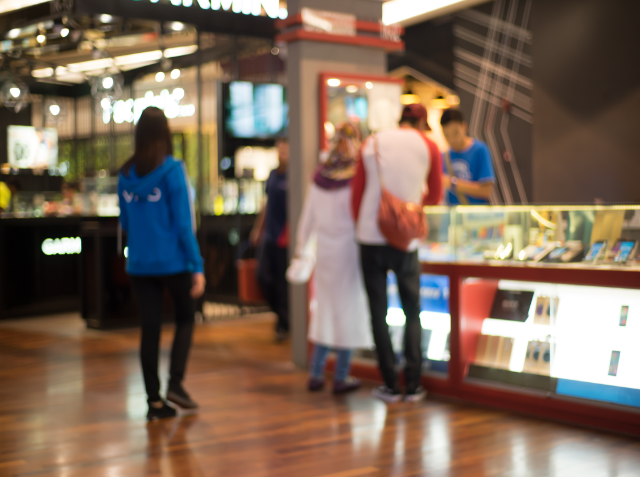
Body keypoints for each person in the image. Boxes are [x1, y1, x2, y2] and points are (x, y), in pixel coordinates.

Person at [118, 107, 205, 421]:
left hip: (140, 264)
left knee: (149, 330)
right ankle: (176, 385)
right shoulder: (172, 170)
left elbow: (125, 222)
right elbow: (184, 225)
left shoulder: (125, 175)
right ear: (165, 133)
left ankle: (154, 402)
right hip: (173, 263)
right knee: (185, 319)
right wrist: (197, 266)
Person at [351, 103, 443, 403]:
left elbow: (357, 192)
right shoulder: (429, 145)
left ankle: (390, 383)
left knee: (378, 312)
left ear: (400, 120)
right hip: (406, 240)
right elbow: (437, 194)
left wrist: (361, 227)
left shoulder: (372, 142)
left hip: (369, 234)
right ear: (421, 123)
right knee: (412, 310)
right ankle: (413, 383)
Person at [295, 122, 373, 394]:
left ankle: (316, 373)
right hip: (350, 252)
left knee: (325, 313)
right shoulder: (358, 176)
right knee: (348, 314)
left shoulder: (320, 176)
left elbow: (307, 219)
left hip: (325, 254)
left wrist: (301, 248)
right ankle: (341, 376)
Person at [251, 137, 289, 341]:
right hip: (270, 235)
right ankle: (283, 316)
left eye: (284, 151)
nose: (281, 154)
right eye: (279, 150)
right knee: (262, 276)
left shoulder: (294, 175)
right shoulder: (273, 174)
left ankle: (284, 323)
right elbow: (266, 204)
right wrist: (258, 229)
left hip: (285, 237)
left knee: (283, 283)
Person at [440, 109, 495, 205]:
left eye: (455, 133)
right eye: (446, 135)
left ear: (464, 127)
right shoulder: (444, 156)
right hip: (451, 217)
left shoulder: (480, 150)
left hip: (476, 217)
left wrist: (453, 183)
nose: (452, 139)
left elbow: (486, 191)